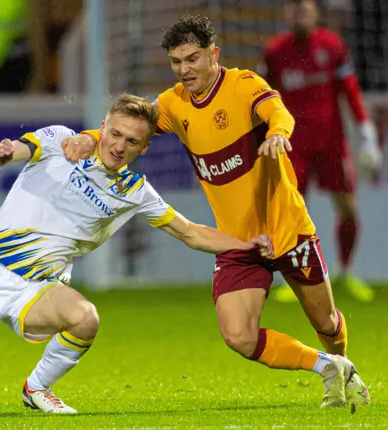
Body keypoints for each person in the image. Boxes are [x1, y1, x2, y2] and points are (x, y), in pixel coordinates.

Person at [0, 94, 277, 415]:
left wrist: (246, 245)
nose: (119, 145)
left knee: (85, 319)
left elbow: (190, 233)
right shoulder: (59, 141)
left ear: (144, 148)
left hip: (39, 286)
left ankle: (36, 389)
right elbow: (0, 157)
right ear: (102, 127)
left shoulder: (135, 192)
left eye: (132, 141)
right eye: (115, 133)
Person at [61, 15, 370, 408]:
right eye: (176, 61)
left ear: (214, 54)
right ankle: (330, 368)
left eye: (192, 59)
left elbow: (280, 113)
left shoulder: (244, 86)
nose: (184, 69)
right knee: (238, 336)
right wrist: (90, 139)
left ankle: (346, 370)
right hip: (239, 241)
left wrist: (277, 133)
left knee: (326, 322)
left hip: (288, 229)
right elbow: (129, 127)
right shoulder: (173, 104)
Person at [260, 0, 382, 303]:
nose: (298, 13)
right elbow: (263, 97)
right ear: (285, 13)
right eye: (293, 8)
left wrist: (366, 134)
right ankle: (296, 278)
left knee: (348, 208)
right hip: (292, 145)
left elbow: (350, 90)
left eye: (304, 8)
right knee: (292, 213)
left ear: (316, 12)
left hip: (331, 144)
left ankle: (344, 272)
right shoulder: (274, 51)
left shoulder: (333, 45)